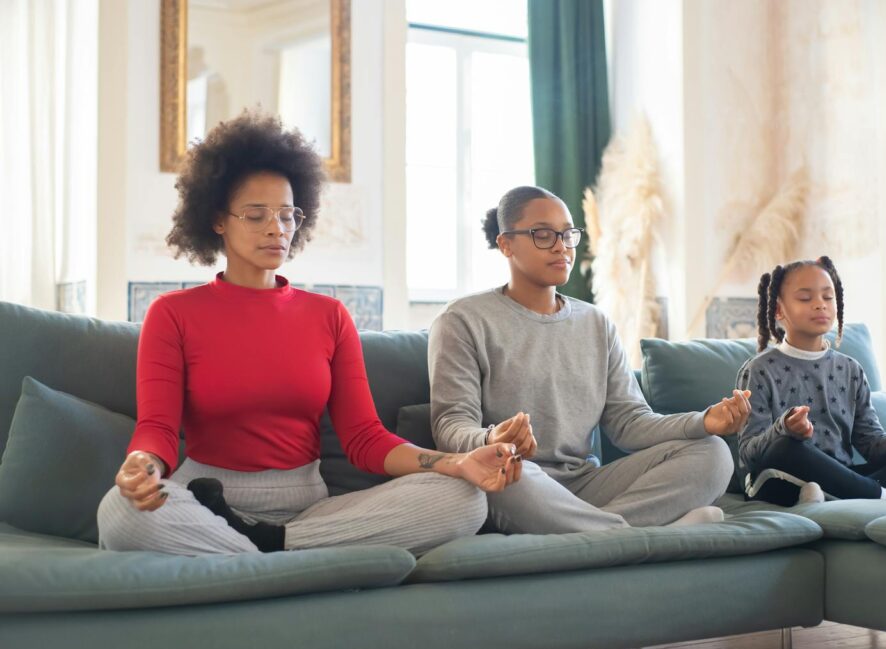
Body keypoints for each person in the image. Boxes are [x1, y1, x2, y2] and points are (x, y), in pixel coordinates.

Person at [97, 112, 519, 556]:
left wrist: (458, 463)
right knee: (119, 512)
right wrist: (140, 465)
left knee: (464, 499)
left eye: (287, 215)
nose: (276, 228)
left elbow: (365, 439)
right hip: (205, 502)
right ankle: (290, 562)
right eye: (256, 215)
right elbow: (157, 428)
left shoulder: (329, 316)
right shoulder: (173, 313)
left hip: (308, 510)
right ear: (218, 219)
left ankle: (264, 550)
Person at [428, 185, 747, 534]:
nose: (561, 246)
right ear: (506, 244)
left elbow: (630, 423)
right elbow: (450, 427)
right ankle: (646, 532)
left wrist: (704, 422)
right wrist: (491, 439)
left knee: (713, 453)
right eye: (543, 235)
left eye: (567, 234)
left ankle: (600, 532)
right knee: (506, 472)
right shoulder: (461, 321)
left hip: (586, 484)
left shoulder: (596, 324)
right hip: (520, 480)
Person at [736, 256, 886, 506]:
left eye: (828, 297)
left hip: (841, 476)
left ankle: (839, 495)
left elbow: (871, 445)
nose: (820, 305)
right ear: (779, 309)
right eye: (805, 298)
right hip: (778, 480)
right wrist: (784, 429)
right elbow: (749, 453)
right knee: (785, 448)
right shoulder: (759, 370)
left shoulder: (850, 369)